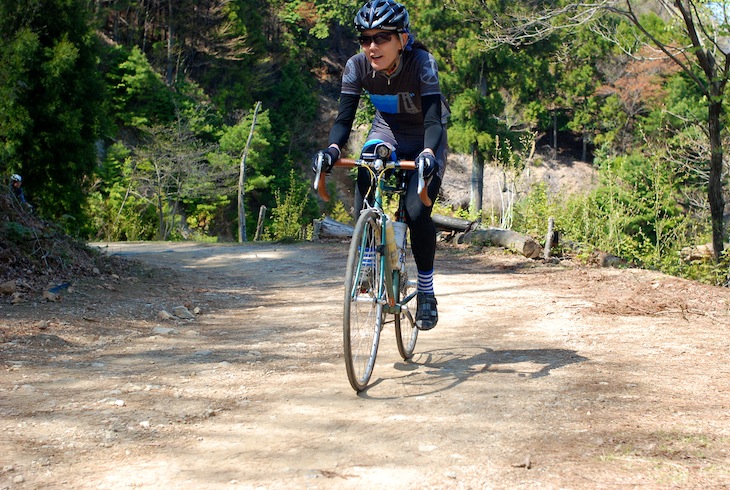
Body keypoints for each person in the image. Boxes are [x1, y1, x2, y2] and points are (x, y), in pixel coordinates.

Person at [313, 0, 448, 330]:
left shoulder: (422, 64)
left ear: (401, 39)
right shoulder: (356, 66)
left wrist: (429, 154)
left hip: (426, 137)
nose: (372, 47)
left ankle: (427, 292)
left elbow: (433, 121)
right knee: (366, 169)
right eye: (365, 38)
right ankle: (370, 261)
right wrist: (332, 150)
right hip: (386, 132)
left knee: (417, 213)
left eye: (381, 38)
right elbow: (343, 120)